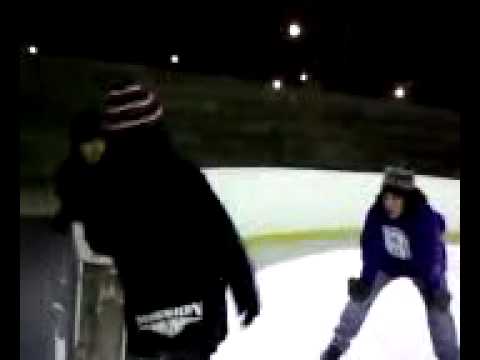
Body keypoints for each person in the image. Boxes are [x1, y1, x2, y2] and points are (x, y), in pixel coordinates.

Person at [53, 79, 260, 360]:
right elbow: (222, 236)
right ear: (158, 126)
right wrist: (243, 287)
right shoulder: (184, 175)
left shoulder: (108, 186)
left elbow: (99, 240)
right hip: (200, 316)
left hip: (147, 320)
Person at [320, 166, 459, 360]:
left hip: (423, 268)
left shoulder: (424, 220)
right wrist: (366, 280)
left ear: (407, 199)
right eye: (386, 197)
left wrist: (435, 287)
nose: (389, 204)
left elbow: (430, 260)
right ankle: (336, 346)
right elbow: (371, 248)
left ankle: (451, 356)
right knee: (360, 297)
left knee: (438, 309)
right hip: (388, 263)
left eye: (396, 199)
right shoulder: (376, 214)